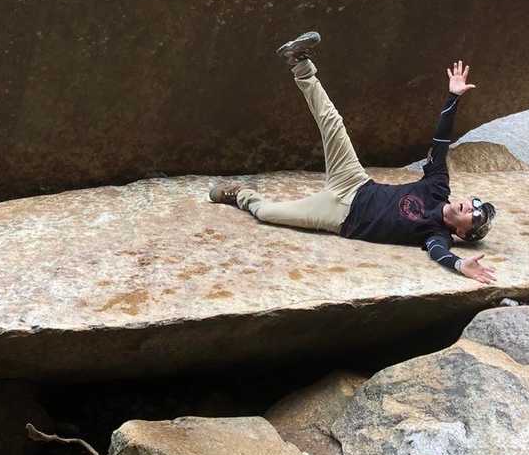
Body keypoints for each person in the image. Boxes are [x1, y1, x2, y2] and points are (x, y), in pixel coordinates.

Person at [209, 32, 497, 285]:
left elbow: (439, 254)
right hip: (355, 183)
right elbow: (441, 142)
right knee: (333, 123)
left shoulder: (436, 234)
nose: (469, 207)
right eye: (475, 204)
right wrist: (453, 97)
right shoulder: (437, 187)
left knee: (266, 214)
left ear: (461, 232)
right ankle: (300, 63)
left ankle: (241, 195)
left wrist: (460, 264)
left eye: (473, 217)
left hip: (339, 217)